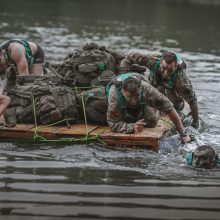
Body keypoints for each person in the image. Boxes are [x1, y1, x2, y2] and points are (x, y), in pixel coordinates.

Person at [120, 50, 200, 129]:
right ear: (160, 62)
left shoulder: (181, 79)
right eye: (164, 68)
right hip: (155, 78)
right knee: (151, 94)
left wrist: (195, 121)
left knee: (176, 106)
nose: (166, 73)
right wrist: (126, 77)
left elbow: (192, 100)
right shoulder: (151, 60)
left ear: (176, 67)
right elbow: (129, 57)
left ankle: (177, 100)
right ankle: (142, 72)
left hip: (172, 84)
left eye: (170, 70)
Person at [106, 73, 191, 144]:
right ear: (123, 92)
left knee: (152, 120)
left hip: (144, 101)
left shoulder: (147, 90)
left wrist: (183, 134)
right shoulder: (114, 96)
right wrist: (132, 127)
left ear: (140, 89)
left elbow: (169, 108)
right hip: (120, 105)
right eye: (130, 97)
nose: (133, 100)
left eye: (136, 96)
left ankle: (142, 111)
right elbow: (113, 123)